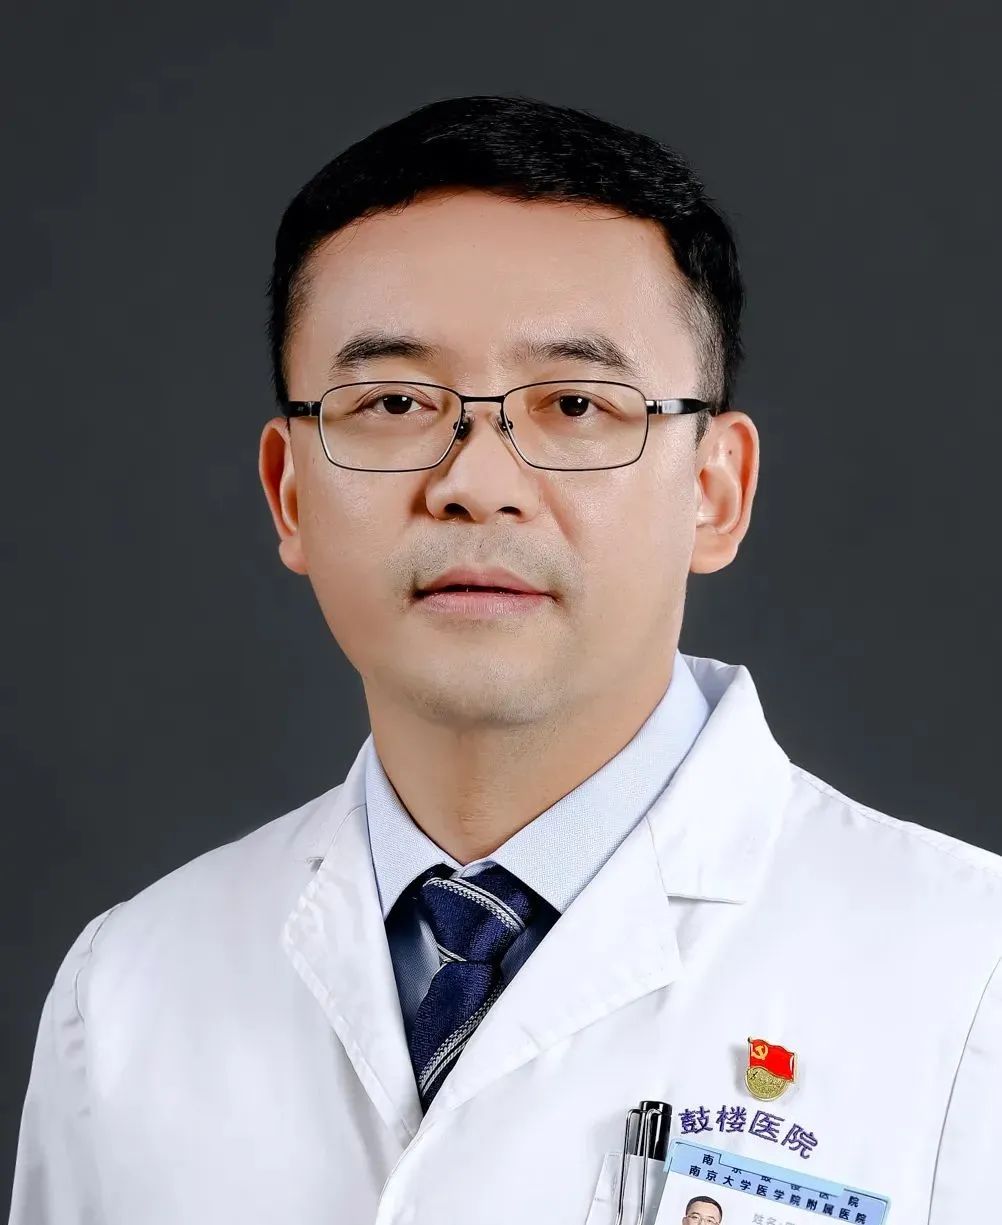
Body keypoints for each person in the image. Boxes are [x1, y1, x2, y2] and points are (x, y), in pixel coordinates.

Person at [9, 94, 1001, 1225]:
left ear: (714, 490)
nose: (476, 483)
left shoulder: (971, 978)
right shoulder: (128, 992)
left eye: (575, 402)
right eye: (393, 400)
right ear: (288, 493)